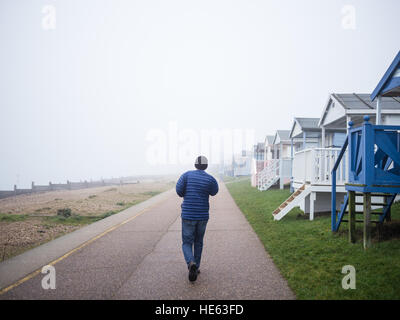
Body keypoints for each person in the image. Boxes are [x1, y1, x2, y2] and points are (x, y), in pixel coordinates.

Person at [176, 155, 219, 282]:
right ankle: (196, 266)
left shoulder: (186, 175)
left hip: (188, 215)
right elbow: (214, 191)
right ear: (206, 166)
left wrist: (187, 193)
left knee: (187, 242)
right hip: (202, 216)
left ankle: (191, 263)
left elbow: (179, 191)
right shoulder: (210, 179)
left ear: (195, 165)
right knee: (199, 242)